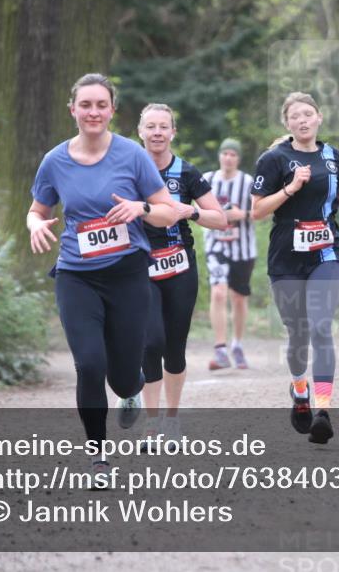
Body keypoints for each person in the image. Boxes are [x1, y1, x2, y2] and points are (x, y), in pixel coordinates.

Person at [28, 73, 177, 478]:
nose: (93, 112)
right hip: (76, 275)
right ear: (73, 109)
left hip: (127, 275)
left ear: (112, 110)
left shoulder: (132, 155)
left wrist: (140, 210)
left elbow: (167, 209)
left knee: (126, 376)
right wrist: (34, 225)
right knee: (90, 365)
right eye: (86, 104)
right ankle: (98, 456)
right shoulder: (54, 160)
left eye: (101, 105)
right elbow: (38, 209)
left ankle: (129, 394)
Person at [251, 91, 339, 444]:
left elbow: (333, 205)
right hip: (286, 255)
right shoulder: (273, 159)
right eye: (295, 116)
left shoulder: (334, 157)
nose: (302, 120)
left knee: (320, 327)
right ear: (286, 123)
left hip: (326, 251)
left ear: (319, 117)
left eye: (308, 114)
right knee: (298, 332)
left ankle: (323, 410)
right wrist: (290, 188)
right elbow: (257, 211)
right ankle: (299, 390)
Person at [137, 103, 227, 448]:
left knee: (174, 347)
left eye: (164, 127)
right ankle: (151, 423)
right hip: (140, 266)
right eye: (151, 126)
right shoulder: (128, 169)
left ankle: (171, 420)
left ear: (173, 132)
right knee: (151, 342)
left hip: (179, 267)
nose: (157, 132)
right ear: (140, 132)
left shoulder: (187, 173)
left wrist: (192, 211)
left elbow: (219, 219)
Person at [203, 138, 258, 370]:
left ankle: (237, 343)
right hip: (216, 246)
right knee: (218, 293)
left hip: (243, 248)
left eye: (232, 154)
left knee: (238, 297)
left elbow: (262, 211)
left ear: (238, 158)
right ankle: (220, 348)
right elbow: (196, 209)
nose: (228, 158)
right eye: (224, 153)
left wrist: (241, 214)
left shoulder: (248, 182)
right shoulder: (207, 180)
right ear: (219, 156)